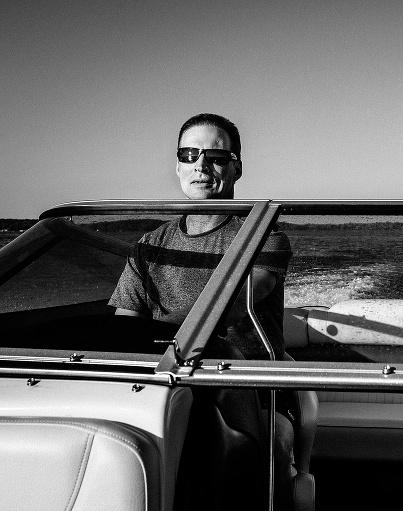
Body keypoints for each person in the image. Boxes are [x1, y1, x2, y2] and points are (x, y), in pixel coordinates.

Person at [108, 113, 296, 508]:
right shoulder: (149, 244)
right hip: (164, 383)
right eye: (190, 153)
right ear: (177, 165)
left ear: (236, 167)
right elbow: (124, 330)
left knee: (271, 447)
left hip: (250, 390)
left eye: (215, 156)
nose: (200, 164)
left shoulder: (266, 237)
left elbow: (219, 311)